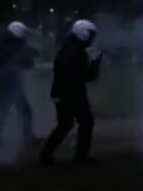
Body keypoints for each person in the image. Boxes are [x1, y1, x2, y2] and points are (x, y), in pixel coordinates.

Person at [40, 19, 102, 166]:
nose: (92, 38)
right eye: (91, 34)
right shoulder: (77, 51)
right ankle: (81, 157)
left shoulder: (67, 48)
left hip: (61, 92)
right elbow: (86, 76)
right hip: (73, 93)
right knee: (86, 122)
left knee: (65, 124)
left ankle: (46, 153)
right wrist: (95, 63)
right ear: (84, 34)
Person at [0, 21, 36, 149]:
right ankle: (27, 139)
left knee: (2, 111)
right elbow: (28, 64)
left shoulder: (1, 44)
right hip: (12, 84)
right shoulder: (17, 47)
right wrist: (30, 51)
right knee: (24, 112)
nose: (25, 37)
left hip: (3, 83)